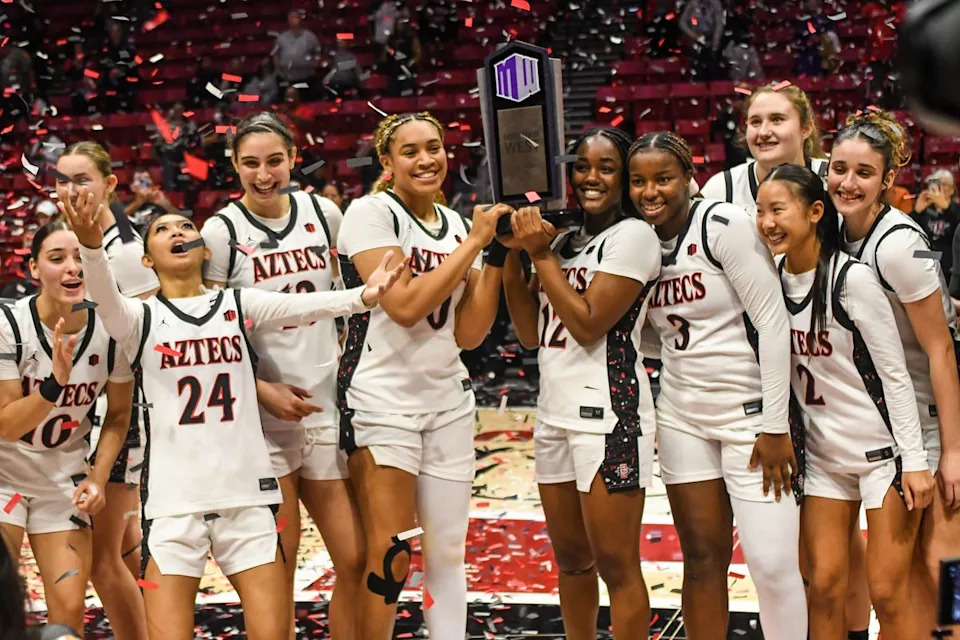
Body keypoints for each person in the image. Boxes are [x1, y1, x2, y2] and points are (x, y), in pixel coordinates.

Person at [58, 189, 402, 638]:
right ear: (146, 260)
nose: (178, 232)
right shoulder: (138, 318)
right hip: (173, 507)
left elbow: (306, 305)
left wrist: (364, 295)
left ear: (203, 248)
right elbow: (103, 294)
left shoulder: (239, 304)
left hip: (248, 501)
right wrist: (88, 245)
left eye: (186, 227)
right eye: (163, 229)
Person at [336, 111, 510, 639]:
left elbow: (471, 334)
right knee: (390, 552)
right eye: (409, 151)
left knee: (448, 551)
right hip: (380, 399)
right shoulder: (369, 213)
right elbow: (406, 306)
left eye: (433, 147)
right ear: (387, 163)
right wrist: (475, 245)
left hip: (447, 399)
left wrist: (497, 250)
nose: (425, 159)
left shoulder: (457, 224)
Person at [628, 131, 807, 640]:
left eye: (663, 178)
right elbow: (650, 338)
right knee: (703, 561)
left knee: (771, 565)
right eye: (639, 181)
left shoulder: (722, 224)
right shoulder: (635, 239)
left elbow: (773, 324)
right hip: (683, 416)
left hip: (750, 418)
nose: (651, 192)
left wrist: (775, 426)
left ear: (688, 176)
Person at [200, 112, 361, 639]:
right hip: (262, 419)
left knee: (355, 558)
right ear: (234, 165)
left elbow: (349, 301)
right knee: (279, 573)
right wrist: (262, 390)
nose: (264, 174)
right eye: (251, 163)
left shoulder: (325, 213)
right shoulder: (221, 231)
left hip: (323, 407)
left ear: (294, 158)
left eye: (274, 161)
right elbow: (212, 331)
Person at [757, 163, 935, 638]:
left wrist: (915, 460)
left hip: (884, 458)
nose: (767, 222)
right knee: (825, 586)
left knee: (887, 593)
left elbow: (896, 375)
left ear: (816, 212)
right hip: (822, 458)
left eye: (778, 210)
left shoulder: (851, 280)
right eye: (760, 211)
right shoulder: (768, 279)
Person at [501, 127, 659, 639]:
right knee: (571, 562)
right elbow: (529, 333)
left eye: (606, 167)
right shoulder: (564, 239)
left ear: (625, 177)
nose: (591, 177)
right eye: (583, 166)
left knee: (616, 566)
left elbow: (590, 323)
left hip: (611, 418)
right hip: (553, 414)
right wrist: (511, 254)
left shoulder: (634, 237)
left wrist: (540, 256)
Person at [830, 110, 960, 635]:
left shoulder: (902, 245)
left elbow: (943, 352)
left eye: (864, 173)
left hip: (934, 417)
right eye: (840, 168)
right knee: (900, 581)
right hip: (884, 423)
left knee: (944, 567)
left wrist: (953, 451)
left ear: (888, 181)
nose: (848, 181)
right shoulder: (830, 230)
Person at [0, 219, 135, 637]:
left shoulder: (114, 329)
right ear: (35, 269)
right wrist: (53, 385)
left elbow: (117, 417)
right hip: (4, 478)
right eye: (58, 258)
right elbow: (5, 424)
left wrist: (96, 475)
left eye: (80, 258)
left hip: (62, 478)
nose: (73, 268)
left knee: (68, 612)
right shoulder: (8, 322)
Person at [54, 141, 160, 640]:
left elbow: (147, 341)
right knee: (129, 549)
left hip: (126, 411)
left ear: (110, 185)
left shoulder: (126, 252)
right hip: (97, 407)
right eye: (62, 180)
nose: (71, 190)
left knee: (104, 561)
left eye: (83, 180)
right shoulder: (72, 242)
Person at [699, 82, 829, 218]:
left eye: (777, 119)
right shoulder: (721, 190)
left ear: (806, 128)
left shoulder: (833, 180)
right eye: (755, 122)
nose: (763, 132)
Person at [914, 169, 960, 281]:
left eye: (943, 184)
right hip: (927, 255)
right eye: (935, 184)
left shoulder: (957, 210)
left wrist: (947, 209)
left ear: (952, 190)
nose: (939, 188)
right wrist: (916, 212)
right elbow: (911, 235)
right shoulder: (925, 209)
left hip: (948, 260)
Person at [273, 10, 321, 99]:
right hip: (286, 78)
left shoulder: (310, 37)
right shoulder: (281, 38)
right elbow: (276, 55)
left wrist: (314, 68)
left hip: (305, 77)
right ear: (288, 21)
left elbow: (318, 53)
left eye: (296, 17)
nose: (294, 20)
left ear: (300, 19)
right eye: (292, 18)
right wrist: (278, 71)